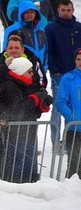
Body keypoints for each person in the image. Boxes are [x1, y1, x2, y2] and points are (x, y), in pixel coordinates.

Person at [0, 57, 52, 183]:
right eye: (29, 71)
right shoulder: (9, 87)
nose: (33, 74)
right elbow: (17, 110)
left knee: (28, 173)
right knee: (16, 175)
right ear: (21, 71)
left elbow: (31, 112)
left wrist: (43, 104)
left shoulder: (26, 86)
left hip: (29, 135)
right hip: (15, 137)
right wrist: (34, 98)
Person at [45, 0, 81, 145]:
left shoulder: (79, 27)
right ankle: (56, 142)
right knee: (59, 107)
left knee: (75, 106)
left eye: (68, 10)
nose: (65, 13)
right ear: (58, 10)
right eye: (63, 10)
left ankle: (70, 141)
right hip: (59, 74)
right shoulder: (51, 28)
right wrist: (55, 71)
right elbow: (49, 51)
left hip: (77, 74)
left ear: (73, 11)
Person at [56, 48, 81, 178]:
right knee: (74, 164)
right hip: (74, 129)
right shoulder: (68, 78)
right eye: (78, 59)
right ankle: (70, 192)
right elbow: (60, 102)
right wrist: (72, 118)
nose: (80, 62)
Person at [3, 1, 48, 71]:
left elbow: (45, 51)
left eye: (32, 12)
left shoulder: (41, 31)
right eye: (26, 12)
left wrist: (44, 68)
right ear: (21, 13)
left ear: (36, 13)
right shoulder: (12, 30)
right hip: (19, 71)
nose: (29, 14)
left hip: (39, 71)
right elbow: (6, 51)